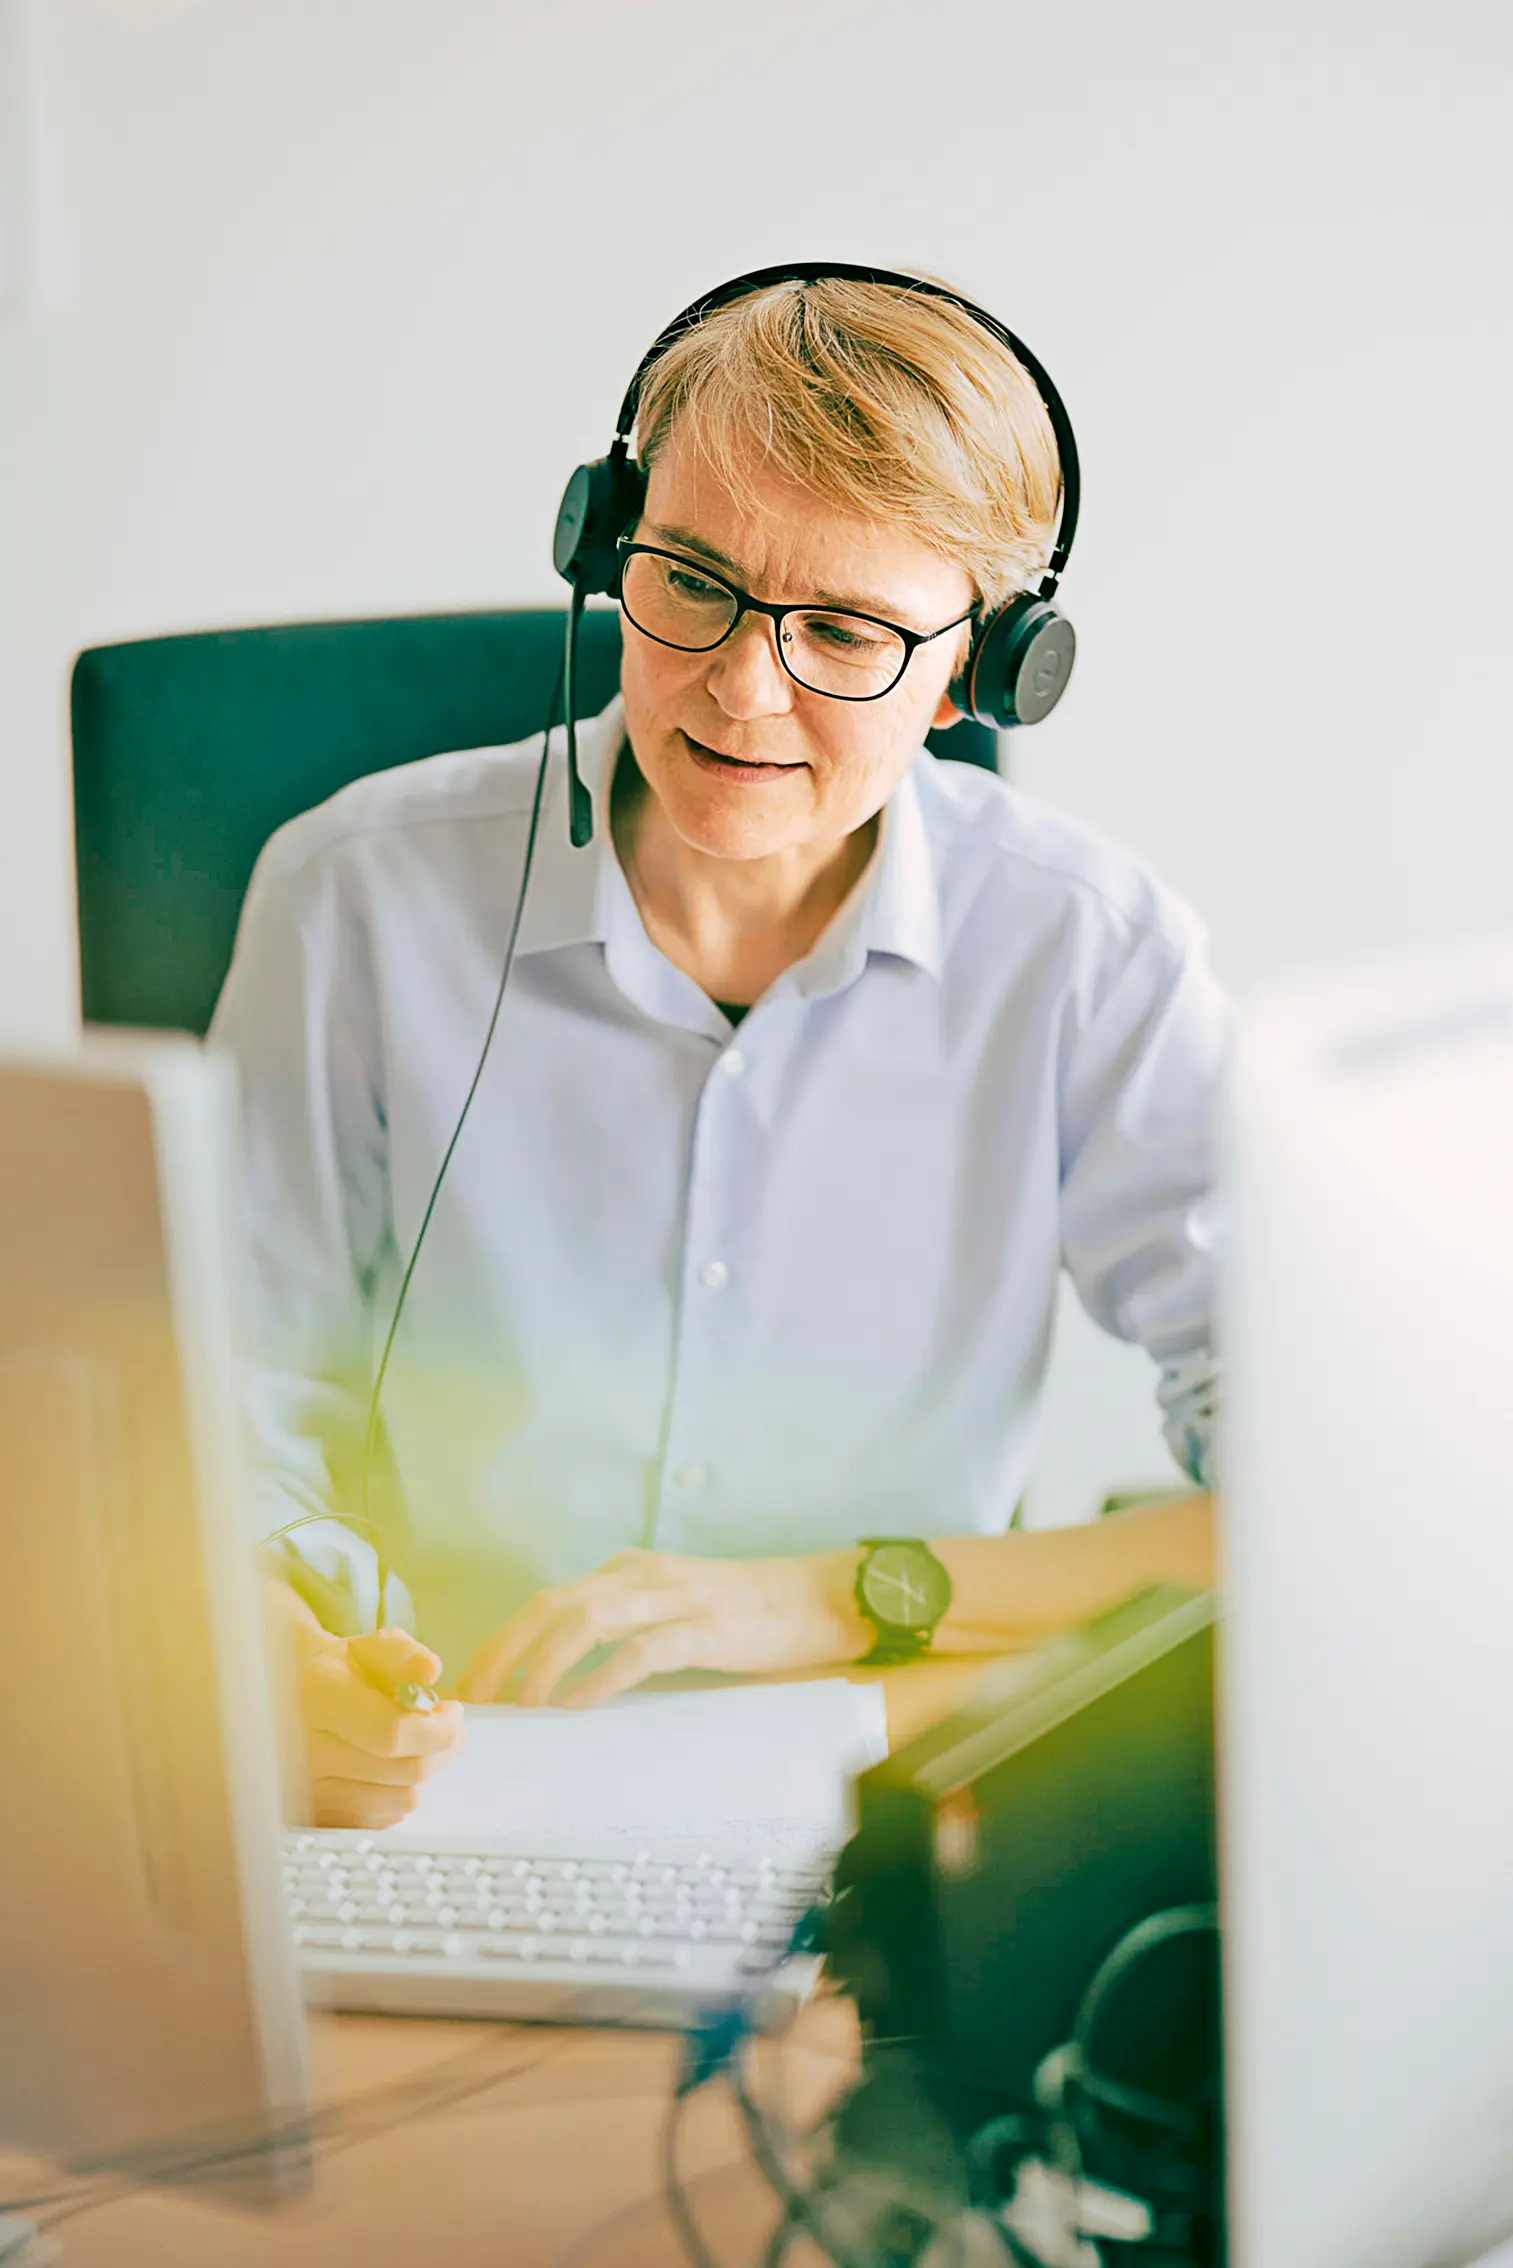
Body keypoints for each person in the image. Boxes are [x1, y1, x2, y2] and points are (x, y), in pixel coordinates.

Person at [212, 272, 1224, 1829]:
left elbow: (1322, 1493)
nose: (744, 689)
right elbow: (226, 1417)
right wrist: (264, 1643)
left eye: (845, 630)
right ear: (607, 550)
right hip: (439, 1776)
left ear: (980, 668)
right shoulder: (355, 895)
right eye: (691, 582)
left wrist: (831, 1599)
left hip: (889, 1793)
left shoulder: (1089, 950)